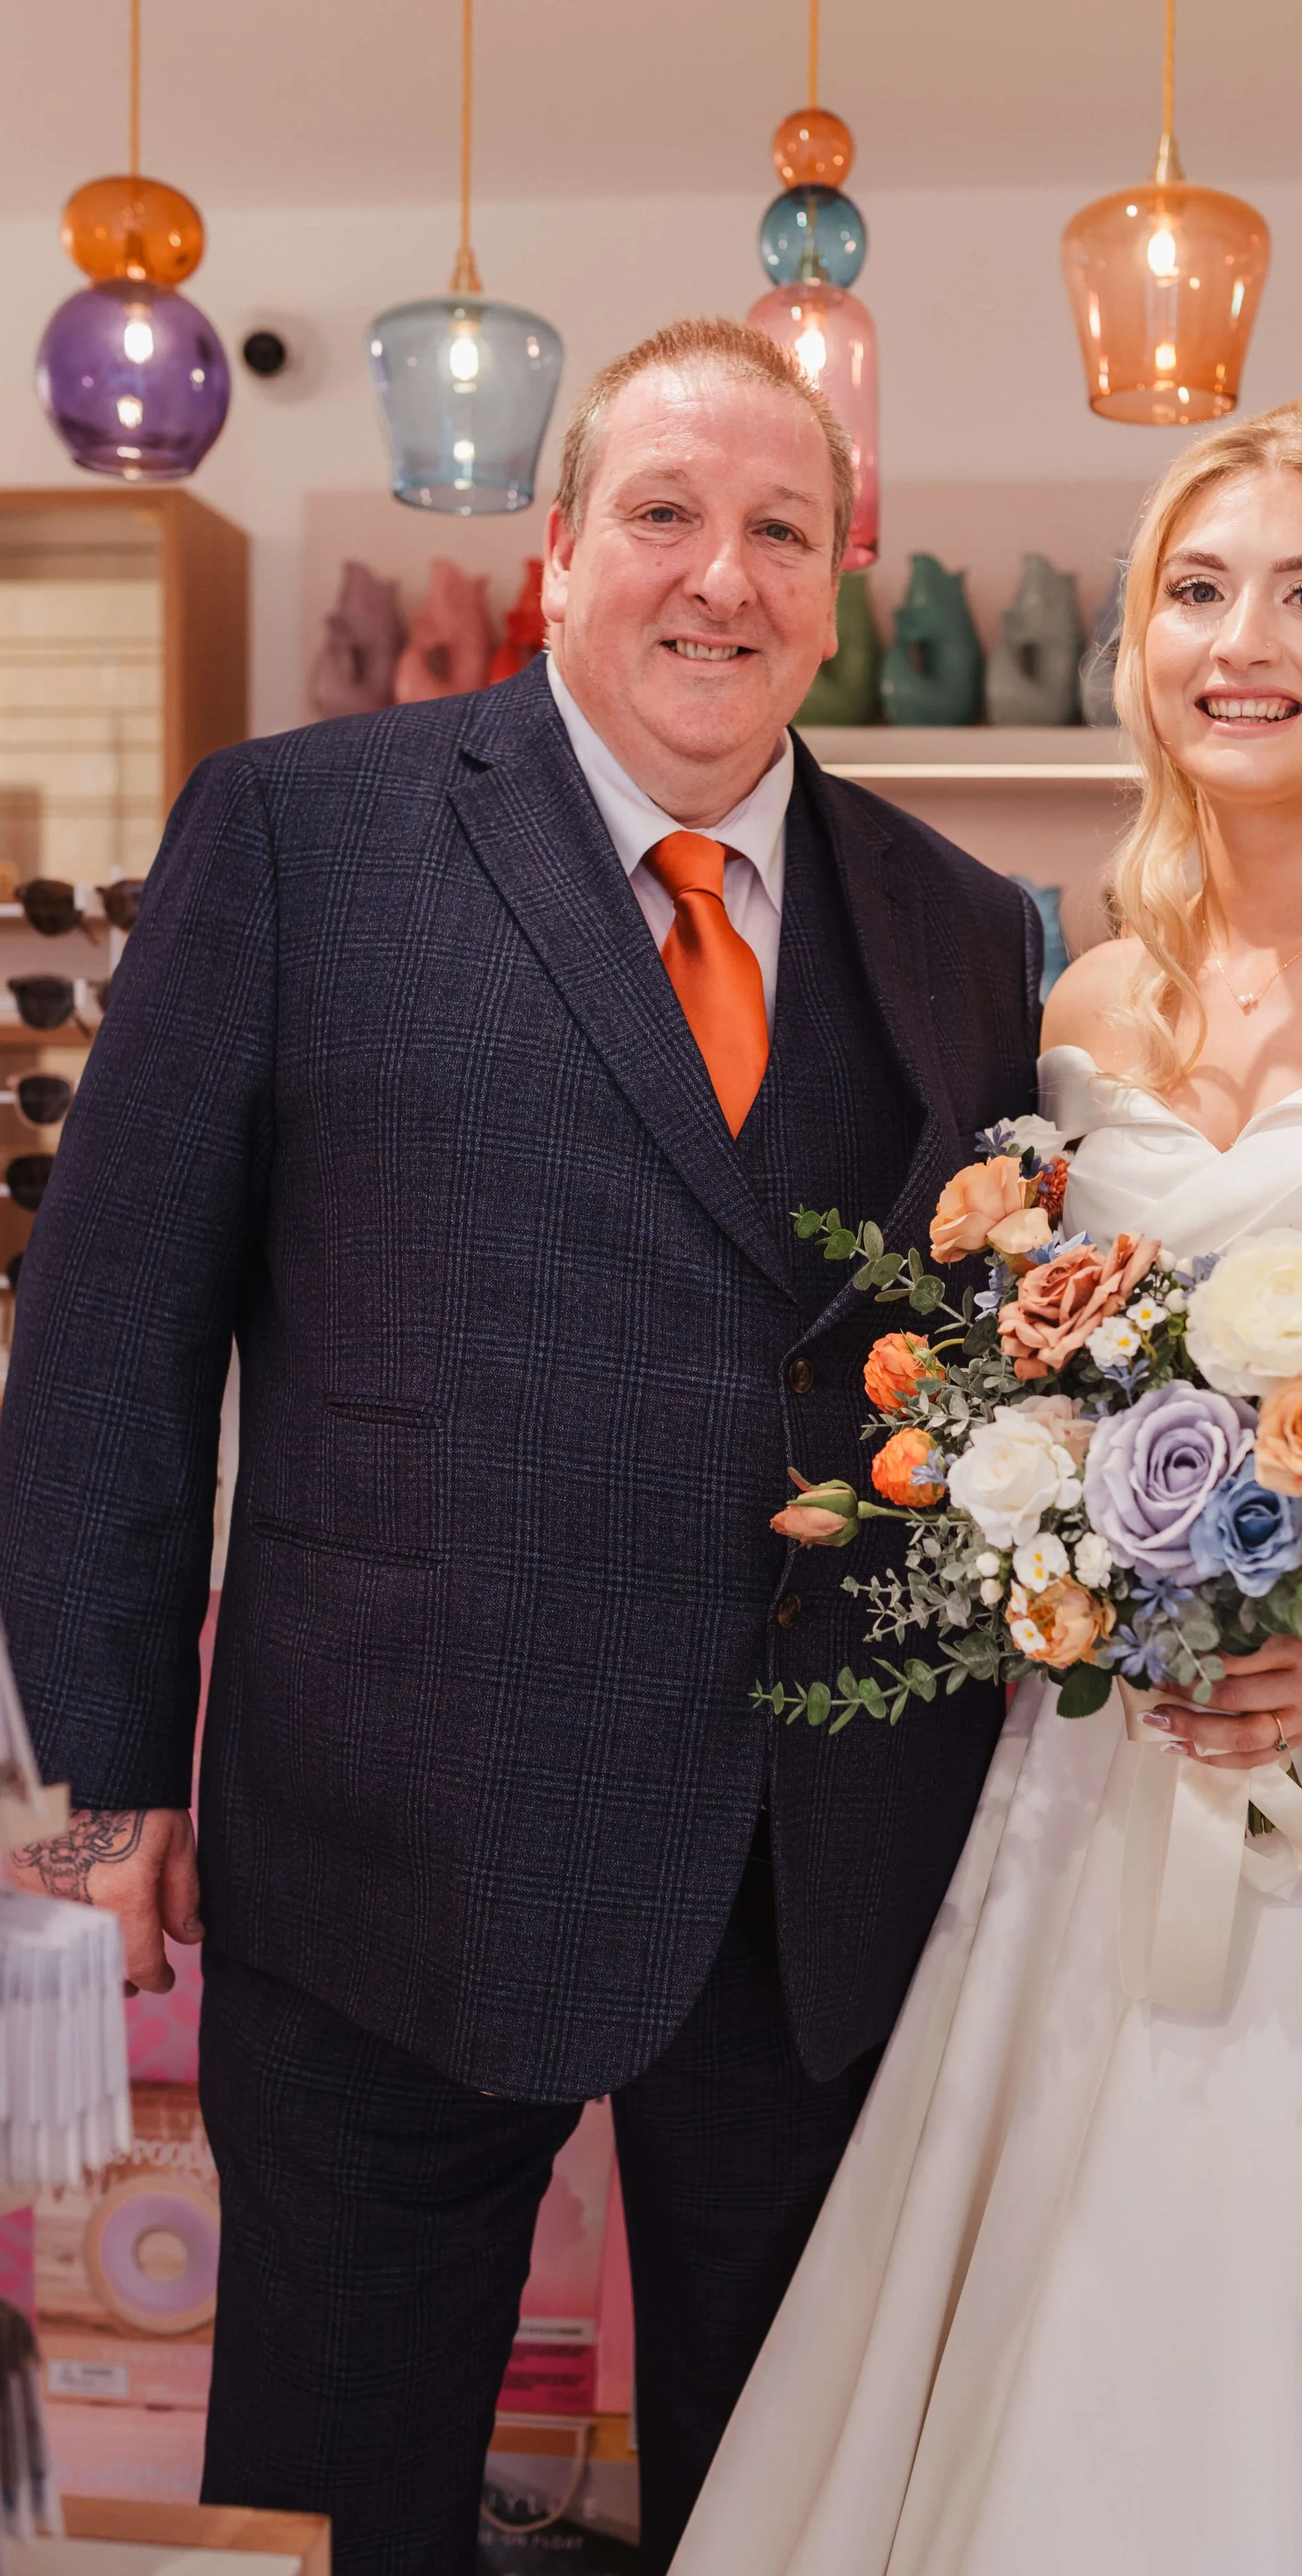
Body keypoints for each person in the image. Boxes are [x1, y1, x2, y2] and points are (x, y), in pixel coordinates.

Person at [0, 317, 1041, 2575]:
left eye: (783, 529)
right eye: (665, 513)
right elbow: (109, 1334)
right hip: (391, 1852)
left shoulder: (968, 931)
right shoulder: (300, 837)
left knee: (788, 2503)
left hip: (826, 1873)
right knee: (332, 2502)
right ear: (559, 547)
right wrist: (105, 1782)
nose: (720, 576)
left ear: (841, 581)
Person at [668, 393, 1302, 2576]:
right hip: (1125, 1782)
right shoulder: (1090, 994)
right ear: (1139, 641)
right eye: (1198, 587)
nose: (1245, 639)